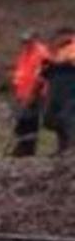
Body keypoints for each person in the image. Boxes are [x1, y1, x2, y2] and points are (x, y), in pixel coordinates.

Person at [11, 32, 51, 157]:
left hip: (35, 93)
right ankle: (21, 147)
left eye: (28, 41)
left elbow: (41, 76)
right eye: (24, 41)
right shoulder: (24, 53)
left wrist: (33, 94)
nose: (25, 44)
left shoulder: (41, 53)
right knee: (21, 121)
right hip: (22, 92)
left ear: (35, 39)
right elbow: (21, 73)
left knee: (30, 121)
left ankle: (28, 149)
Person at [42, 27, 75, 156]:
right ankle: (63, 146)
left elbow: (69, 63)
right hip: (56, 89)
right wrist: (47, 69)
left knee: (67, 117)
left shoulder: (72, 47)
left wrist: (55, 64)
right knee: (50, 119)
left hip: (70, 88)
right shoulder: (59, 51)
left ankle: (70, 147)